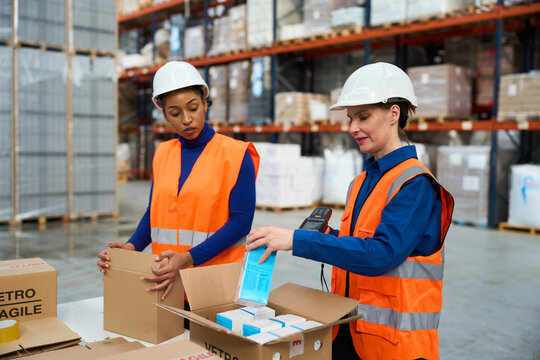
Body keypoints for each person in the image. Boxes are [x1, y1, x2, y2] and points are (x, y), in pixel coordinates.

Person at [247, 62, 454, 360]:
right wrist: (329, 234)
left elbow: (381, 254)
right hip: (349, 328)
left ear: (394, 113)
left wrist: (299, 240)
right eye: (350, 118)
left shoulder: (415, 185)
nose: (352, 128)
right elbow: (360, 240)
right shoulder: (362, 181)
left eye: (363, 117)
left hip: (395, 345)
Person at [98, 61, 259, 300]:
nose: (186, 119)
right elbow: (155, 211)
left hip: (214, 284)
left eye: (193, 108)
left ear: (205, 103)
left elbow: (241, 222)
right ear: (164, 114)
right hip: (167, 282)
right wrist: (132, 247)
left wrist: (189, 258)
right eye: (175, 113)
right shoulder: (163, 153)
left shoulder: (236, 154)